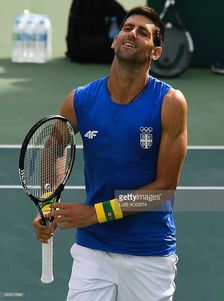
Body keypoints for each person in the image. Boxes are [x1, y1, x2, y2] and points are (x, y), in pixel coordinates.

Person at [33, 6, 187, 301]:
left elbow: (164, 189)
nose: (132, 34)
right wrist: (48, 203)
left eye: (143, 32)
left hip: (148, 253)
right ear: (115, 41)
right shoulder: (80, 100)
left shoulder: (170, 103)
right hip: (93, 250)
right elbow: (54, 148)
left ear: (155, 52)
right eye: (127, 28)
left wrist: (95, 213)